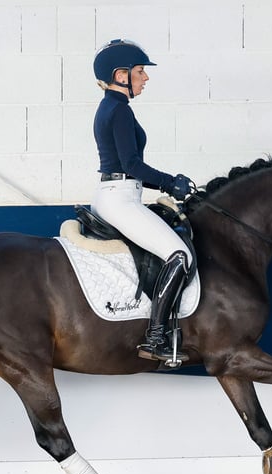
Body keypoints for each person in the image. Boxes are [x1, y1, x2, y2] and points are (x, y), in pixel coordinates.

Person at [91, 38, 195, 364]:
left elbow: (130, 169)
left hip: (118, 194)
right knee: (179, 254)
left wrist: (171, 185)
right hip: (120, 199)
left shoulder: (112, 107)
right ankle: (156, 338)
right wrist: (170, 181)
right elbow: (132, 165)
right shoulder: (119, 110)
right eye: (140, 72)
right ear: (121, 75)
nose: (145, 78)